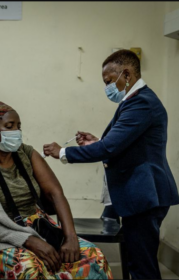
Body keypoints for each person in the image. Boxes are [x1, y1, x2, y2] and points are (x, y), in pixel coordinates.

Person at [43, 49, 179, 279]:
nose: (107, 87)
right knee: (137, 259)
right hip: (137, 193)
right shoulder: (134, 101)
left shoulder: (141, 104)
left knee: (142, 266)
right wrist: (96, 142)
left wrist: (63, 152)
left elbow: (110, 148)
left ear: (126, 74)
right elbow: (124, 144)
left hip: (144, 194)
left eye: (109, 81)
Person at [0, 101, 113, 279]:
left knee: (94, 256)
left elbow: (55, 194)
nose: (16, 131)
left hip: (37, 228)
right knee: (29, 267)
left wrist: (70, 237)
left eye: (18, 126)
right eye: (9, 126)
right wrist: (27, 240)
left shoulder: (26, 154)